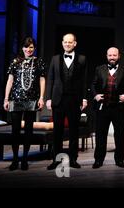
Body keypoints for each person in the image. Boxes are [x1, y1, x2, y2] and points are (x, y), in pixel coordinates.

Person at [46, 33, 88, 170]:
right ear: (62, 43)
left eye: (70, 42)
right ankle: (56, 160)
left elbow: (84, 80)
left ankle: (73, 159)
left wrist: (84, 98)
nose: (67, 44)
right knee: (57, 131)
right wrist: (48, 98)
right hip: (58, 100)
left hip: (74, 99)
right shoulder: (55, 59)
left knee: (74, 131)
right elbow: (50, 79)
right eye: (65, 42)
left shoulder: (82, 59)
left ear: (75, 43)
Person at [3, 37, 46, 170]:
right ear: (22, 48)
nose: (29, 49)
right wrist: (6, 99)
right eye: (26, 47)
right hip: (16, 99)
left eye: (31, 47)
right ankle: (15, 159)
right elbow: (10, 81)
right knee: (15, 130)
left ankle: (25, 159)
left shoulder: (39, 61)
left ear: (34, 48)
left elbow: (42, 80)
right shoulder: (15, 62)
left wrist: (41, 98)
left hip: (32, 99)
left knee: (28, 130)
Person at [91, 47, 124, 168]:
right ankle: (98, 160)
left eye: (114, 55)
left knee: (119, 134)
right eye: (110, 55)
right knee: (100, 134)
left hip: (119, 108)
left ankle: (119, 160)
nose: (112, 58)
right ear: (106, 56)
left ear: (119, 56)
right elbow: (93, 84)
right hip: (102, 107)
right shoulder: (99, 69)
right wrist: (95, 95)